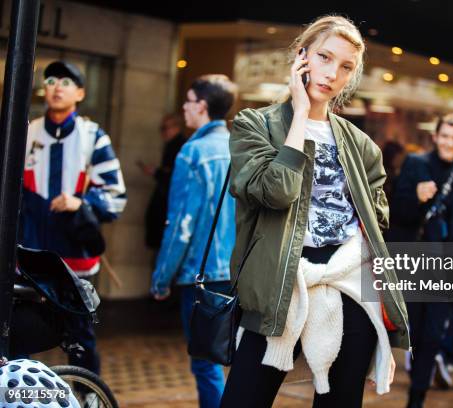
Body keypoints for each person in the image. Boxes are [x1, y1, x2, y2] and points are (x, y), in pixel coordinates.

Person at [220, 15, 410, 408]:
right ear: (302, 56)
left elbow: (378, 213)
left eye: (346, 67)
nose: (332, 74)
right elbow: (276, 192)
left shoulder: (361, 144)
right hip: (280, 283)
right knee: (244, 399)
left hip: (347, 282)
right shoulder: (254, 125)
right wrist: (301, 115)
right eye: (325, 58)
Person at [20, 60, 127, 374]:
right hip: (27, 257)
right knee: (20, 338)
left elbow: (115, 197)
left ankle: (87, 397)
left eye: (66, 82)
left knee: (80, 339)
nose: (56, 87)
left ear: (80, 93)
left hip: (74, 262)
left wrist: (79, 203)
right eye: (51, 80)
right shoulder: (26, 131)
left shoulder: (93, 136)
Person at [150, 74, 237, 408]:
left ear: (201, 106)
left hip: (201, 275)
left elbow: (181, 226)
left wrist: (161, 279)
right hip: (237, 272)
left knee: (206, 363)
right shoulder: (238, 149)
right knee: (232, 360)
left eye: (188, 101)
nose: (184, 107)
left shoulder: (193, 152)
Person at [389, 113, 453, 407]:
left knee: (433, 334)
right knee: (416, 331)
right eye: (445, 136)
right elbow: (396, 211)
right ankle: (415, 388)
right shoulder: (416, 164)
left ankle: (417, 396)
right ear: (436, 136)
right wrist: (415, 198)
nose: (449, 142)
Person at [140, 113, 186, 252]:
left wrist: (157, 172)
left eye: (166, 128)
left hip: (171, 210)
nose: (163, 132)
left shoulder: (180, 147)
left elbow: (174, 177)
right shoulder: (172, 145)